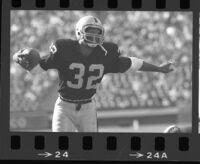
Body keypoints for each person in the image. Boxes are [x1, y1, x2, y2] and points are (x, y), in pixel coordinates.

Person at [13, 15, 175, 132]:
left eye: (98, 32)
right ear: (79, 32)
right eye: (91, 30)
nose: (95, 35)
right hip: (64, 106)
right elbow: (39, 68)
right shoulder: (64, 48)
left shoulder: (106, 53)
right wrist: (23, 61)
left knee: (90, 150)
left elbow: (133, 63)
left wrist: (159, 69)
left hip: (88, 107)